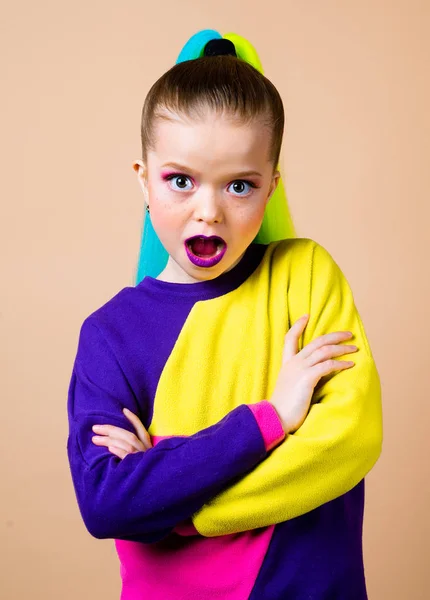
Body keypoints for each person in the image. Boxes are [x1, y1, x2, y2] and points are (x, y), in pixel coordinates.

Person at [67, 29, 383, 600]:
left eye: (240, 185)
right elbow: (107, 503)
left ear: (271, 191)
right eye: (180, 180)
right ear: (144, 177)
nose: (208, 212)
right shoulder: (110, 335)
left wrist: (178, 502)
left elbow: (349, 441)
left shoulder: (306, 275)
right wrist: (270, 421)